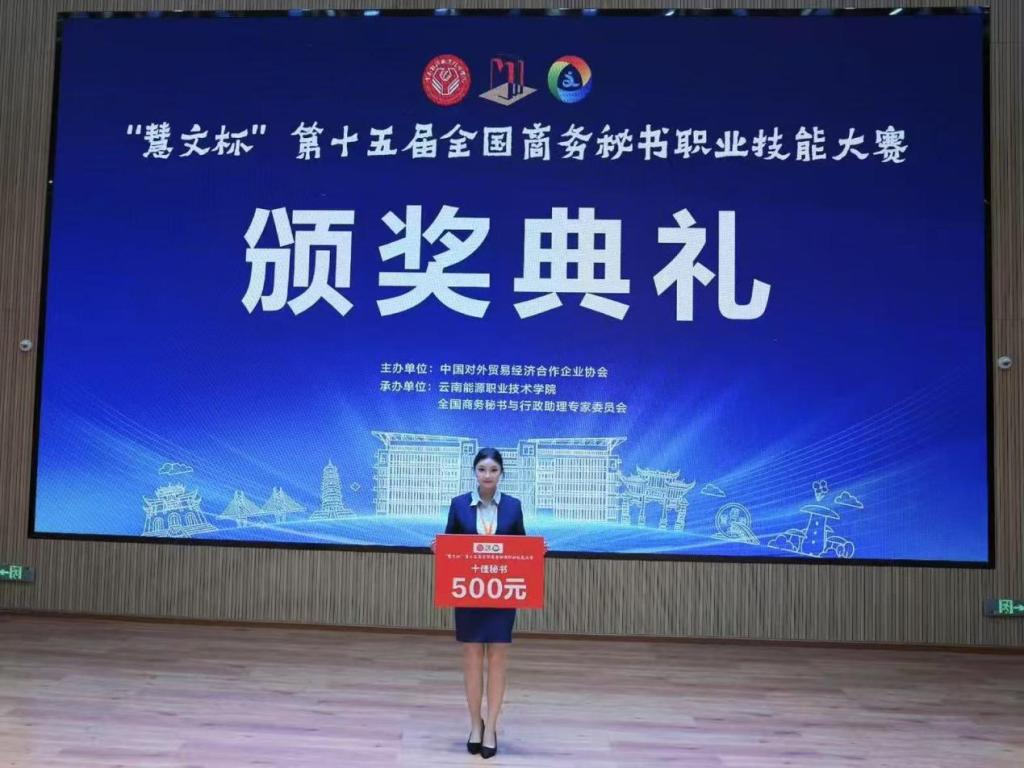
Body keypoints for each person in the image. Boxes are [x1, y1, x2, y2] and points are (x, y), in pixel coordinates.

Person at [434, 447, 525, 760]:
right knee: (472, 656)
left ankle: (491, 728)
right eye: (482, 469)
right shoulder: (459, 504)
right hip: (469, 594)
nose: (487, 475)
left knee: (497, 658)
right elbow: (449, 545)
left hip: (501, 594)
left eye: (493, 470)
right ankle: (475, 724)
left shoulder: (513, 506)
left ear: (501, 474)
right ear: (474, 472)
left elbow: (522, 548)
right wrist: (439, 549)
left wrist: (537, 552)